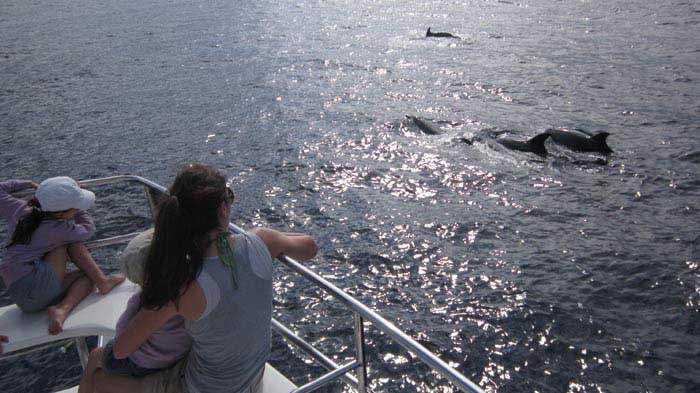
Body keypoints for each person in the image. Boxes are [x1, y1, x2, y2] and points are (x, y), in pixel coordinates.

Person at [90, 163, 318, 393]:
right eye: (229, 196)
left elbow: (121, 350)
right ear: (223, 209)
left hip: (203, 388)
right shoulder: (264, 241)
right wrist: (270, 238)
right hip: (252, 377)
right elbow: (310, 247)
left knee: (96, 370)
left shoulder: (183, 285)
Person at [0, 177, 125, 334]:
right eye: (75, 207)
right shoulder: (58, 229)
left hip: (19, 295)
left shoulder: (18, 209)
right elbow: (87, 229)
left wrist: (26, 183)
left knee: (86, 276)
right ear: (60, 213)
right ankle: (65, 308)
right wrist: (81, 209)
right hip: (35, 290)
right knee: (70, 245)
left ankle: (100, 283)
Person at [78, 229, 192, 393]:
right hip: (175, 357)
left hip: (144, 364)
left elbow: (121, 346)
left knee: (95, 357)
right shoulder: (190, 291)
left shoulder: (144, 302)